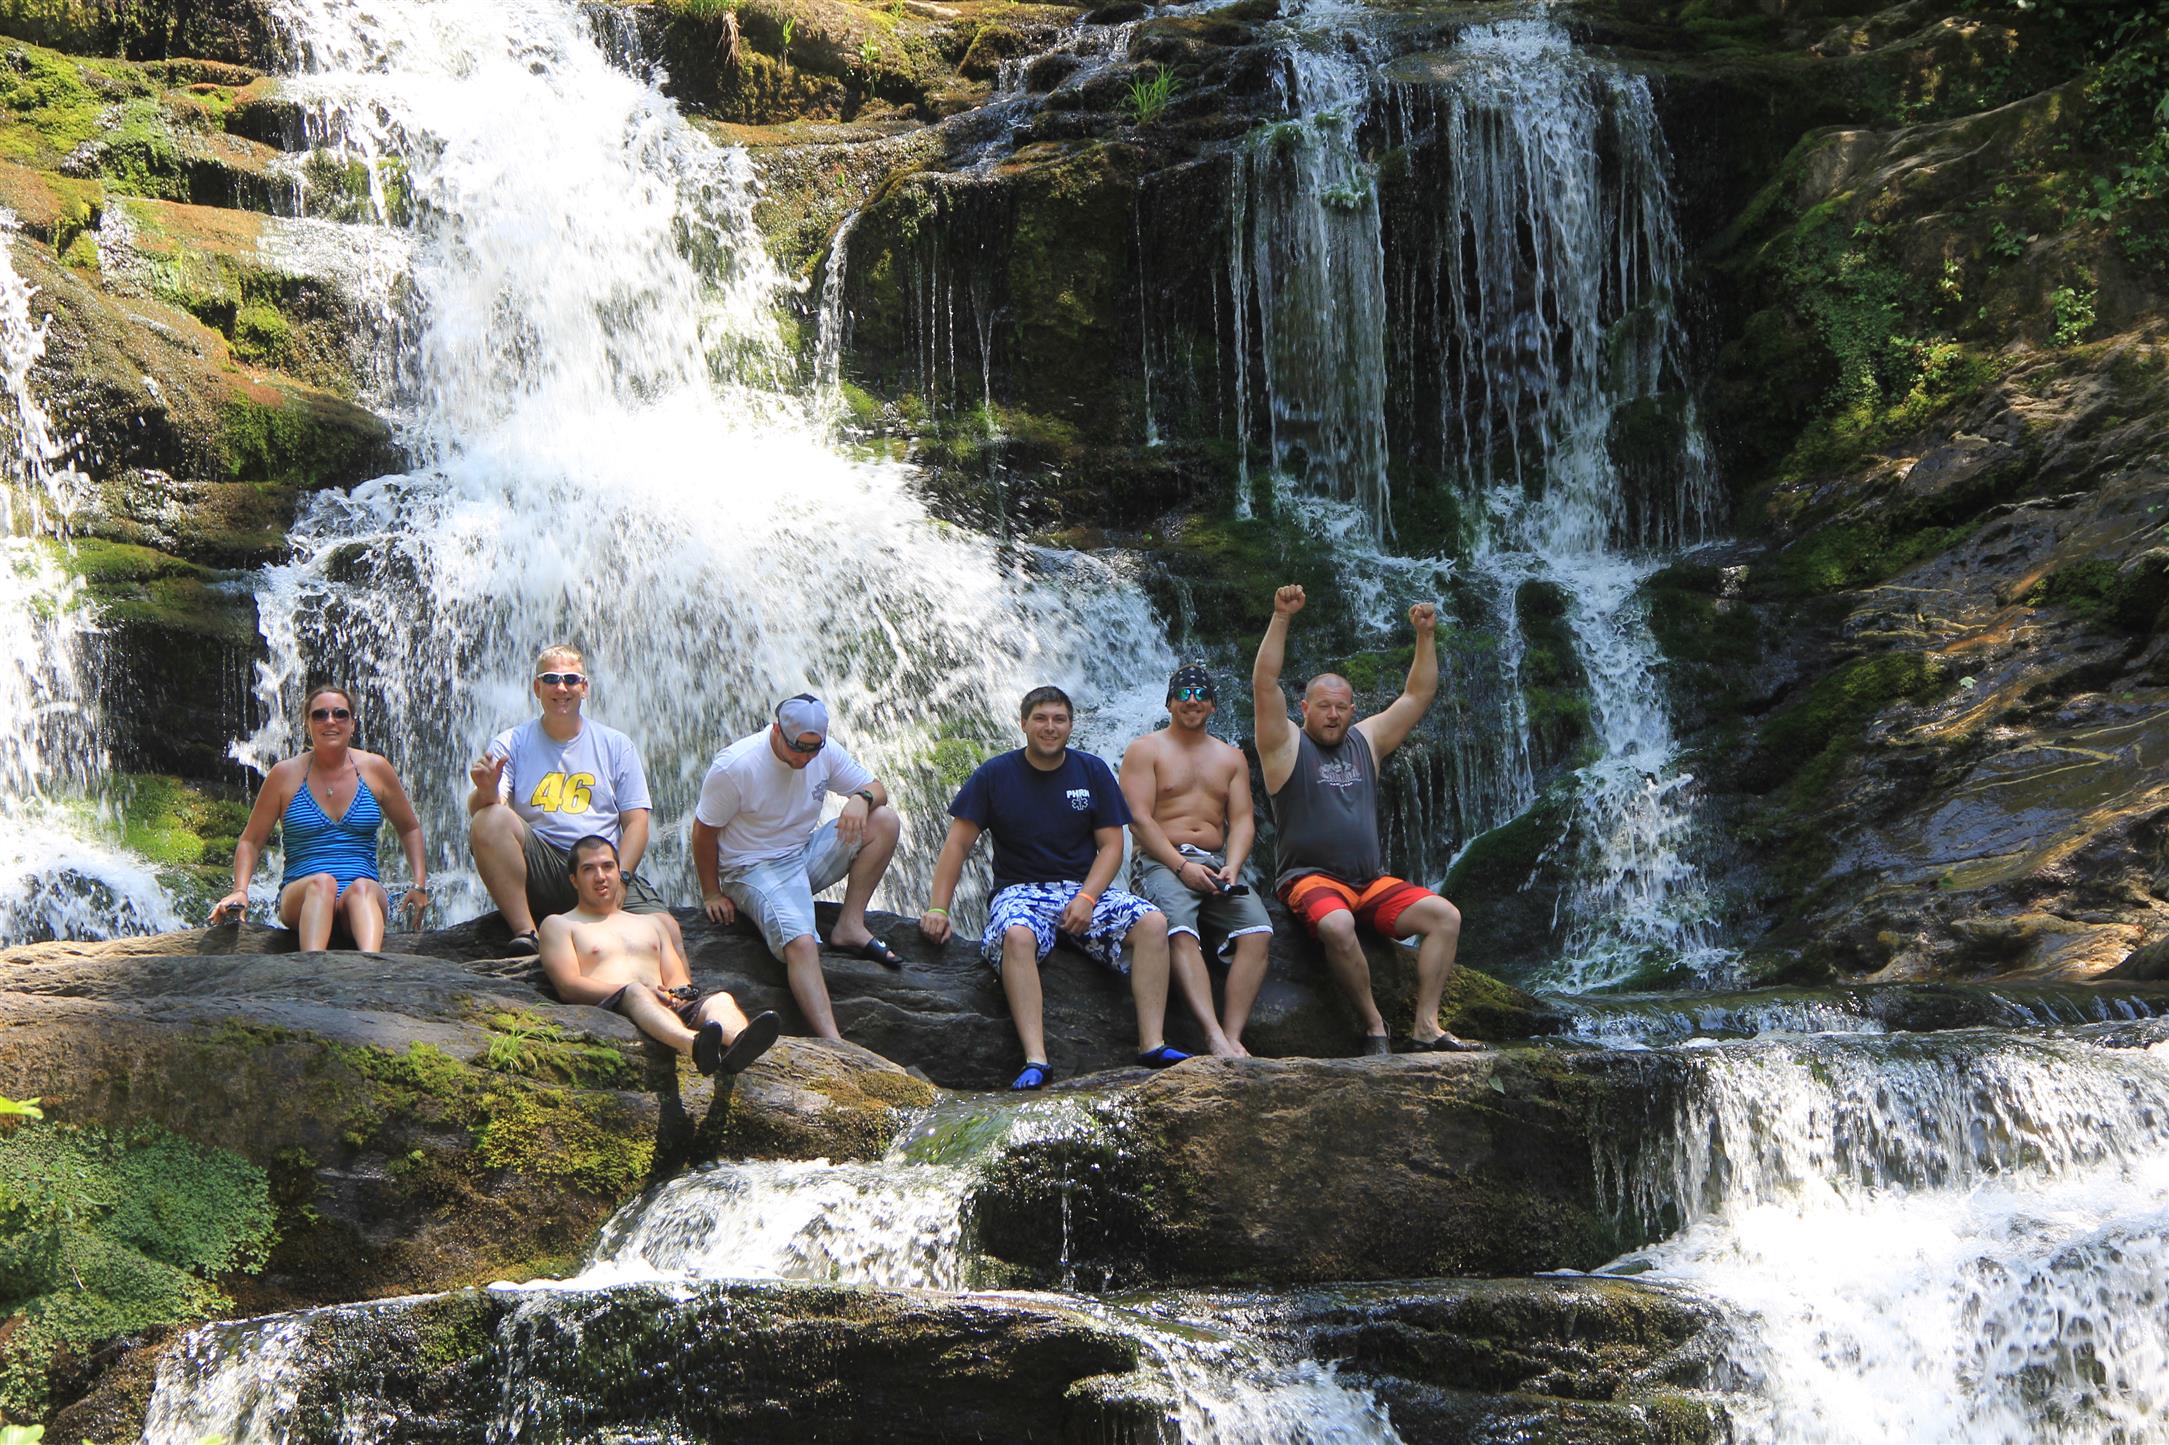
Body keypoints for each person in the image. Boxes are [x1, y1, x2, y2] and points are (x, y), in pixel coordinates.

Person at [918, 685, 1189, 1090]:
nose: (1050, 727)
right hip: (1021, 891)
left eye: (1059, 719)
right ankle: (1036, 1059)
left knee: (1152, 922)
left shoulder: (1091, 770)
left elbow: (1112, 846)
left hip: (1083, 889)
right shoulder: (994, 775)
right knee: (1017, 935)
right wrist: (938, 908)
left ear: (1071, 725)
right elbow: (957, 845)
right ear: (1023, 723)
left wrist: (1087, 897)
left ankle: (1152, 1044)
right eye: (1041, 718)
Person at [1252, 584, 1481, 1054]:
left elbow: (1418, 694)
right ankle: (1375, 1025)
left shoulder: (1366, 740)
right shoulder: (1285, 745)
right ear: (1305, 708)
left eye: (1341, 707)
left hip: (1368, 883)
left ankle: (1427, 1025)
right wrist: (1281, 617)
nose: (1333, 715)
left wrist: (1425, 636)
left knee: (1445, 917)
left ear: (1352, 710)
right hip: (1310, 879)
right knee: (1337, 926)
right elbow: (1264, 683)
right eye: (1323, 706)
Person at [692, 694, 904, 1042]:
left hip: (801, 854)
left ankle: (850, 925)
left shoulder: (824, 752)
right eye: (798, 748)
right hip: (751, 867)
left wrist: (861, 798)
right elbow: (704, 831)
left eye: (813, 749)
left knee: (883, 821)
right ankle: (834, 1043)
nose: (805, 758)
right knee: (803, 943)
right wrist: (711, 892)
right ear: (777, 730)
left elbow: (876, 788)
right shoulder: (736, 765)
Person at [466, 645, 675, 953]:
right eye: (551, 679)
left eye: (571, 679)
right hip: (543, 870)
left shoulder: (616, 745)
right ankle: (527, 934)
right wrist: (485, 793)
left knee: (667, 931)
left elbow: (637, 824)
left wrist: (622, 878)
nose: (561, 687)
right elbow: (487, 817)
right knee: (490, 817)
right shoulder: (511, 743)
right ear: (537, 688)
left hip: (601, 869)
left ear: (584, 688)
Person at [210, 684, 429, 950]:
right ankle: (312, 965)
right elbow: (251, 841)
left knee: (363, 888)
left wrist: (419, 885)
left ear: (353, 724)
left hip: (360, 898)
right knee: (323, 883)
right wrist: (240, 890)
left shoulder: (376, 769)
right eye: (320, 715)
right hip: (302, 895)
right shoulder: (284, 775)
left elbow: (409, 828)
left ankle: (372, 964)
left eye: (340, 714)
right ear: (307, 724)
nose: (330, 721)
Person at [539, 835, 781, 1075]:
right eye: (588, 869)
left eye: (608, 866)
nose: (600, 876)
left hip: (664, 1007)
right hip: (611, 1008)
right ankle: (694, 1045)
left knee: (721, 1000)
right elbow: (567, 985)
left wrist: (676, 996)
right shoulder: (560, 925)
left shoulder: (651, 923)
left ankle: (740, 1045)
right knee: (635, 991)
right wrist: (629, 989)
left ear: (619, 872)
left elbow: (677, 977)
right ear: (574, 880)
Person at [1120, 665, 1266, 1056]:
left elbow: (1242, 819)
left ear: (1213, 705)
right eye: (1183, 694)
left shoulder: (1231, 758)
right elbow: (1138, 819)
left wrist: (1233, 865)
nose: (1192, 701)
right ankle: (1212, 1034)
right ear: (1169, 703)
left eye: (1201, 694)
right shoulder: (1145, 750)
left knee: (1258, 931)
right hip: (1159, 860)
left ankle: (1233, 1035)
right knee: (1180, 930)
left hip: (1216, 862)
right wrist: (1182, 867)